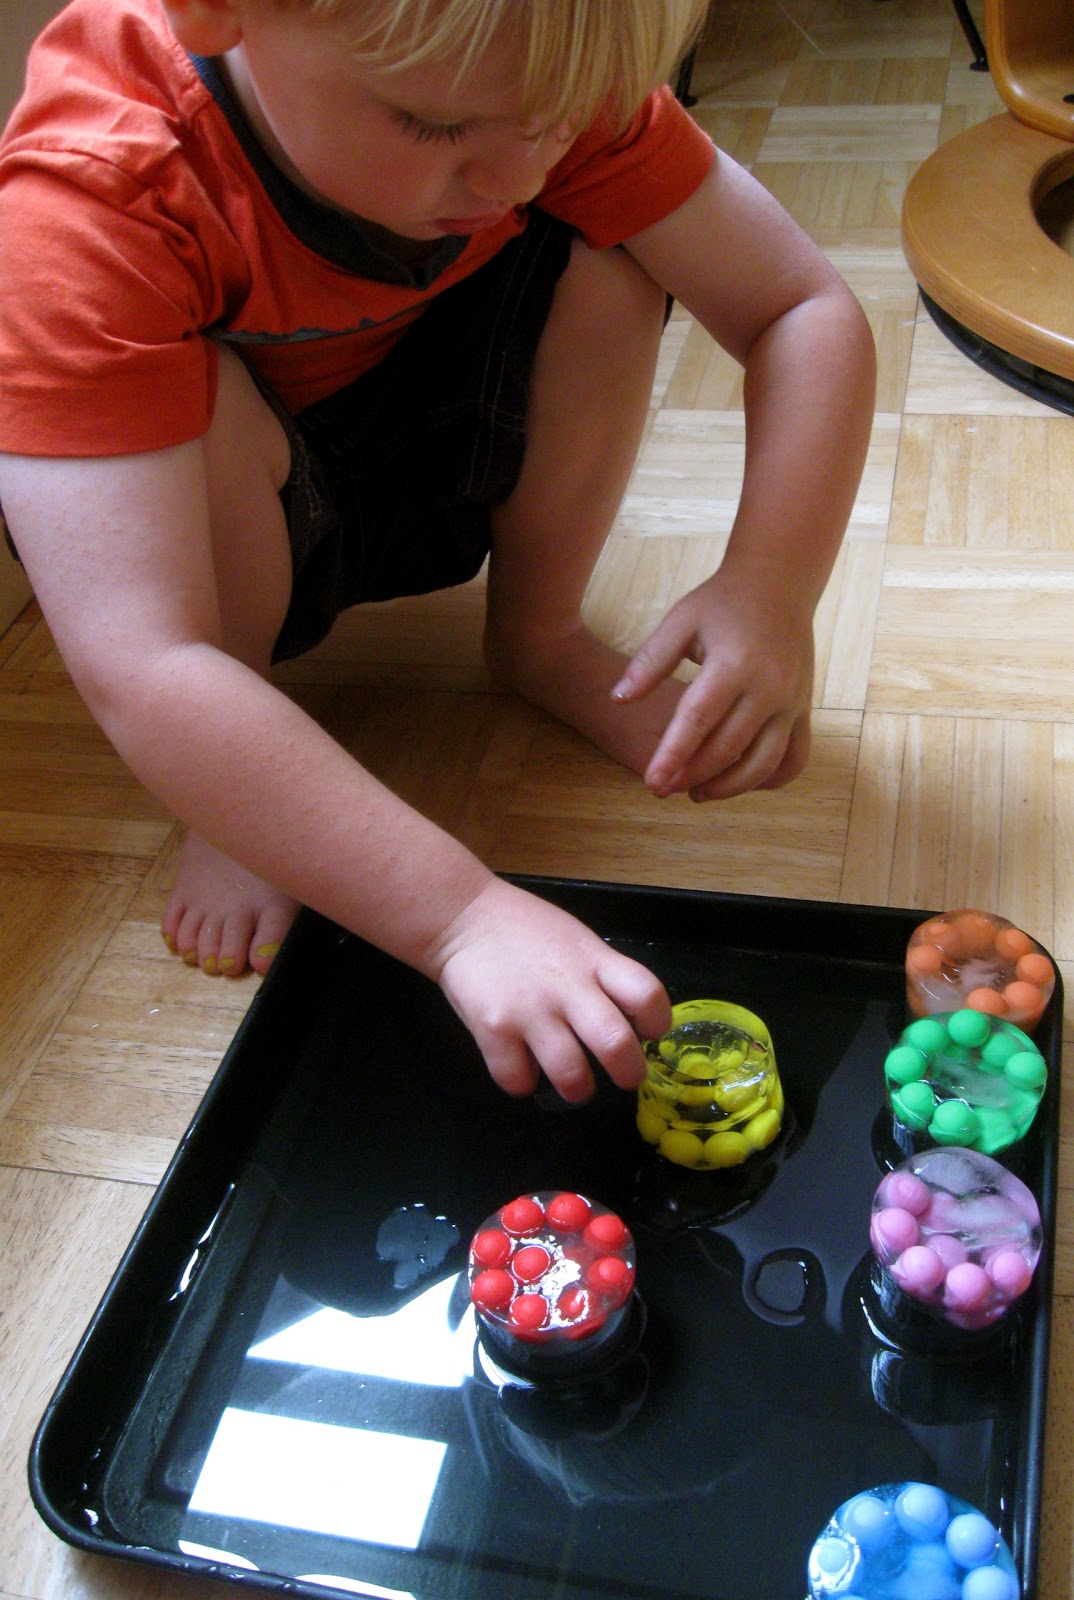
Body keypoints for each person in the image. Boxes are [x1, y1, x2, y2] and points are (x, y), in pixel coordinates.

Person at [0, 0, 876, 1105]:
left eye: (549, 129)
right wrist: (462, 915)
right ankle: (232, 789)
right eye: (432, 127)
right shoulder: (91, 195)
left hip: (434, 438)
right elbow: (142, 659)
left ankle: (540, 636)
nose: (509, 176)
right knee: (208, 414)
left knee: (614, 254)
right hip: (220, 515)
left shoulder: (532, 83)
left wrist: (772, 586)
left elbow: (801, 305)